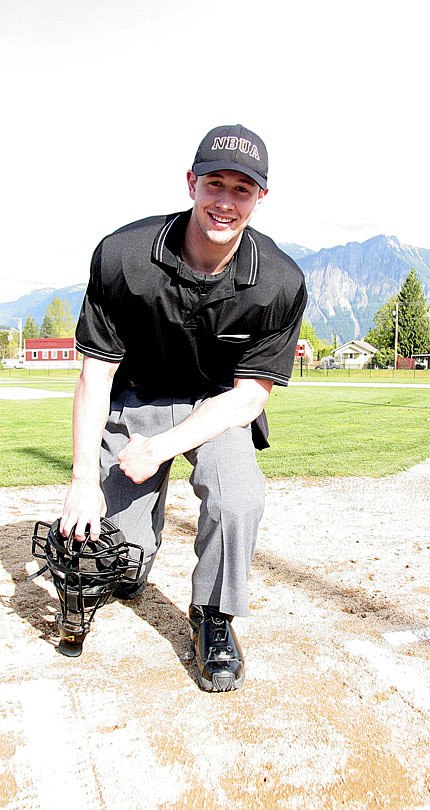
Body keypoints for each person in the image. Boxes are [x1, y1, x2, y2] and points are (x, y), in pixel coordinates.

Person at [60, 123, 307, 692]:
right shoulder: (124, 256)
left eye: (241, 190)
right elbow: (95, 373)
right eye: (214, 184)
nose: (225, 202)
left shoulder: (278, 281)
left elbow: (248, 395)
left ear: (260, 197)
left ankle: (214, 616)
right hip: (136, 397)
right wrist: (81, 478)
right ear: (191, 182)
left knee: (237, 493)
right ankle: (136, 555)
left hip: (218, 408)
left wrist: (165, 448)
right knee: (120, 558)